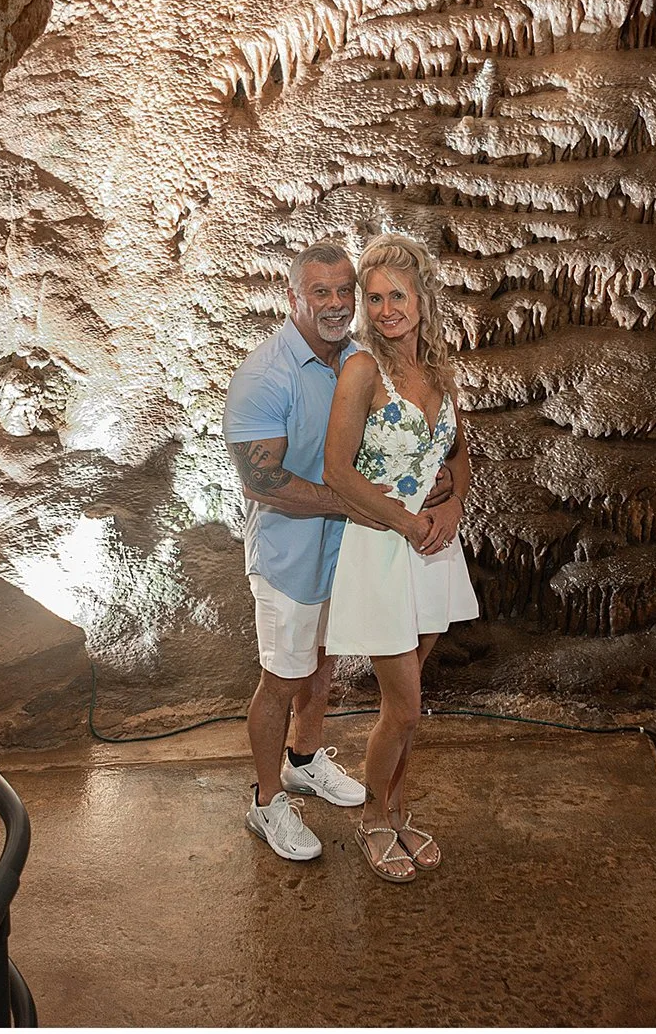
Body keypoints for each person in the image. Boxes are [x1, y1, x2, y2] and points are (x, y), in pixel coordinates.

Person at [322, 233, 477, 883]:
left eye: (397, 296)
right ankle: (369, 822)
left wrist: (451, 510)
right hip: (384, 547)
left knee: (411, 698)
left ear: (420, 300)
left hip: (434, 550)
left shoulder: (440, 371)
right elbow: (337, 471)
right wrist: (408, 521)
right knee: (404, 706)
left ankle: (397, 809)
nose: (386, 309)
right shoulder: (363, 371)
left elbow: (461, 457)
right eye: (375, 298)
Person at [221, 242, 373, 861]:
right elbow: (262, 481)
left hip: (345, 552)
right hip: (288, 558)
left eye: (345, 291)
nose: (336, 304)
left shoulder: (357, 360)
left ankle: (305, 760)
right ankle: (265, 802)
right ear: (294, 298)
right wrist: (351, 502)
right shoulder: (265, 375)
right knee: (282, 679)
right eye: (322, 293)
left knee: (323, 665)